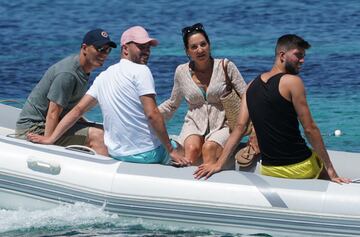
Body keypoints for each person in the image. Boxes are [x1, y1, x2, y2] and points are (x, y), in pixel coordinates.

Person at [194, 34, 351, 184]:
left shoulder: (250, 87)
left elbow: (239, 128)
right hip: (300, 166)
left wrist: (219, 164)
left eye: (304, 56)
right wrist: (331, 171)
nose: (302, 60)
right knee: (321, 166)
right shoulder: (293, 82)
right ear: (282, 55)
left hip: (270, 169)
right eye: (298, 55)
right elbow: (310, 129)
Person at [28, 26, 190, 166]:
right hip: (147, 154)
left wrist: (51, 138)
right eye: (141, 46)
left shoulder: (103, 76)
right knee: (181, 148)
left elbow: (77, 110)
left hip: (117, 153)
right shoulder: (142, 71)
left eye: (148, 47)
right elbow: (152, 114)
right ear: (125, 48)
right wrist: (170, 149)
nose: (146, 51)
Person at [16, 28, 117, 156]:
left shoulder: (83, 69)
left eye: (108, 50)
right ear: (84, 48)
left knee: (104, 130)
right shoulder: (68, 74)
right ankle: (104, 174)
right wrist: (48, 145)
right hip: (34, 128)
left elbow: (68, 107)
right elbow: (53, 113)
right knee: (98, 136)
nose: (104, 54)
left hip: (51, 122)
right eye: (100, 49)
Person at [159, 23, 247, 165]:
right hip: (193, 123)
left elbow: (245, 95)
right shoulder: (181, 72)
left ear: (209, 45)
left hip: (224, 124)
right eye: (194, 47)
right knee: (192, 149)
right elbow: (172, 104)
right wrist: (149, 117)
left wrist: (258, 126)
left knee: (209, 148)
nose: (200, 50)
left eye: (203, 44)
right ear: (187, 51)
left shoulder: (226, 66)